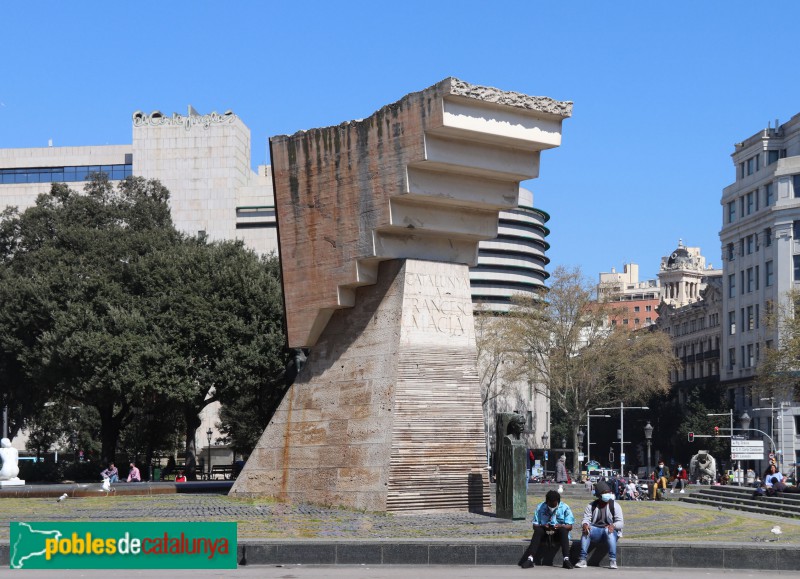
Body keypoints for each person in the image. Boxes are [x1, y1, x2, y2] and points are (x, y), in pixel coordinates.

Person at [518, 490, 575, 569]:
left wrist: (561, 526)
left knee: (563, 530)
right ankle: (530, 559)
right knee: (538, 530)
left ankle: (566, 559)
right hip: (545, 533)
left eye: (553, 505)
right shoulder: (540, 507)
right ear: (546, 502)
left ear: (558, 502)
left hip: (557, 534)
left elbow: (570, 526)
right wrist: (543, 526)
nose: (551, 507)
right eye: (549, 505)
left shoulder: (565, 507)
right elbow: (535, 525)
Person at [575, 481, 624, 569]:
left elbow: (621, 523)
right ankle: (582, 559)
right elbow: (585, 519)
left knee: (607, 530)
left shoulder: (615, 506)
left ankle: (613, 560)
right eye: (605, 493)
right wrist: (585, 524)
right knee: (587, 530)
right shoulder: (591, 506)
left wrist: (613, 525)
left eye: (608, 492)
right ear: (598, 495)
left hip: (610, 532)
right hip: (596, 531)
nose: (607, 494)